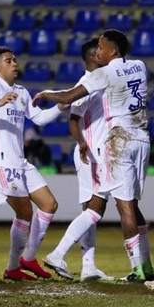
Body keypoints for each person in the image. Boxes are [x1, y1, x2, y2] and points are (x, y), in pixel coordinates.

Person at [32, 29, 154, 282]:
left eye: (101, 47)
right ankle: (142, 264)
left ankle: (137, 267)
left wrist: (46, 93)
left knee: (118, 207)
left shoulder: (103, 74)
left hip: (118, 142)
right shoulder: (140, 66)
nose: (97, 51)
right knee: (118, 205)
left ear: (112, 51)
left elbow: (68, 97)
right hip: (142, 139)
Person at [0, 46, 68, 280]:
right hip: (1, 162)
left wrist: (60, 107)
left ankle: (29, 258)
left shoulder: (22, 92)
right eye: (8, 61)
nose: (14, 63)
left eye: (14, 60)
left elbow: (40, 119)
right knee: (24, 211)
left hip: (20, 162)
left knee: (49, 205)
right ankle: (13, 267)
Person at [42, 38, 113, 281]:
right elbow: (73, 119)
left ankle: (88, 267)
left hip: (92, 151)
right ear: (94, 56)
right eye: (102, 52)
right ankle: (57, 253)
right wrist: (83, 143)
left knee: (90, 210)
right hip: (92, 152)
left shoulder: (98, 81)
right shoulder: (87, 83)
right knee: (97, 207)